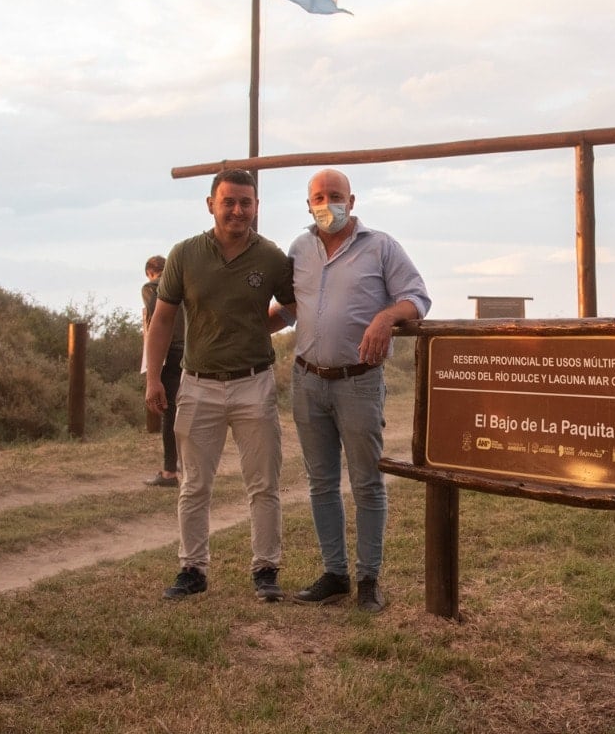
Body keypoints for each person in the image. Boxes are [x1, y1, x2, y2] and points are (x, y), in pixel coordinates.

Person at [277, 168, 430, 614]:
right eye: (319, 197)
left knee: (367, 482)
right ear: (309, 204)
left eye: (336, 195)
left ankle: (368, 580)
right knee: (321, 483)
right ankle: (335, 573)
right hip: (307, 381)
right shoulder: (298, 249)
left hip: (359, 382)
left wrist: (385, 319)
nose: (328, 204)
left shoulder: (381, 246)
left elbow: (417, 298)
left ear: (353, 200)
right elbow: (290, 308)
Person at [143, 169, 295, 603]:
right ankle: (192, 568)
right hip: (197, 385)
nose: (237, 210)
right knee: (194, 484)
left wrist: (259, 327)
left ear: (257, 208)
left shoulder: (270, 257)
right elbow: (163, 319)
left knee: (263, 483)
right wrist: (154, 377)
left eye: (246, 203)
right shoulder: (185, 254)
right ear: (210, 204)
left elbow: (291, 305)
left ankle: (266, 570)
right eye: (228, 201)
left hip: (254, 384)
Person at [142, 254, 185, 488]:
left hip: (169, 352)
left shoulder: (151, 287)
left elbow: (155, 317)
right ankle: (181, 464)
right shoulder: (185, 282)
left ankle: (169, 472)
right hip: (190, 351)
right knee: (187, 409)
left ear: (150, 272)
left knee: (169, 411)